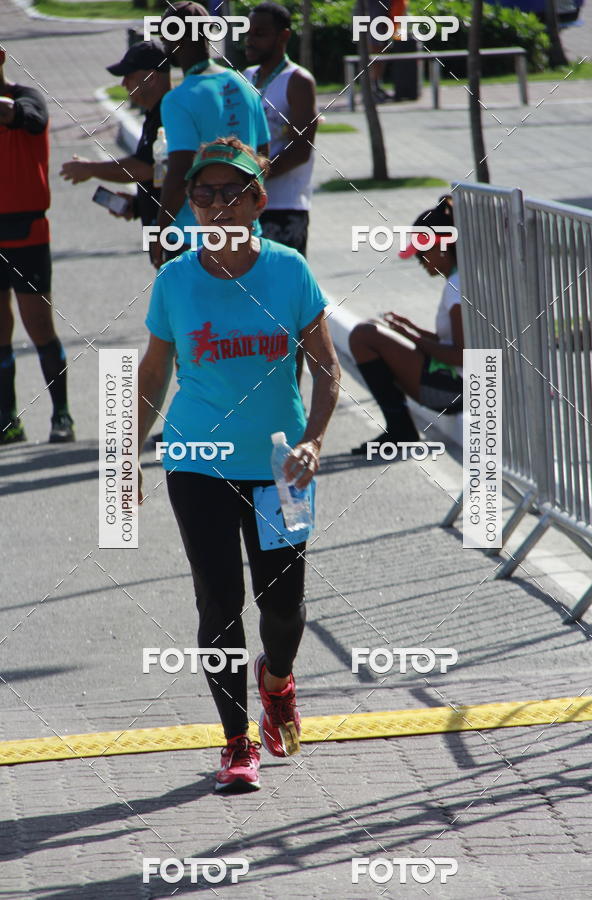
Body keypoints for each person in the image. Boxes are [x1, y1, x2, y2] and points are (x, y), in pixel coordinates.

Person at [137, 137, 339, 792]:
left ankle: (276, 682)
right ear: (191, 204)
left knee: (283, 604)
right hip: (196, 457)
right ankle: (236, 741)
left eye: (231, 193)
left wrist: (313, 439)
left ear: (258, 200)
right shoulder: (174, 280)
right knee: (220, 600)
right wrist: (122, 457)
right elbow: (153, 373)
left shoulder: (289, 272)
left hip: (279, 465)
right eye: (204, 194)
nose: (217, 205)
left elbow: (327, 370)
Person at [152, 1, 270, 268]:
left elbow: (181, 168)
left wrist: (159, 230)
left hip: (195, 237)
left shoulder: (178, 99)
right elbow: (263, 155)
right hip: (247, 231)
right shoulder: (243, 84)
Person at [349, 195, 463, 455]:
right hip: (456, 384)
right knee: (372, 330)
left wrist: (412, 338)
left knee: (363, 335)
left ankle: (400, 430)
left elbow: (462, 355)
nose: (419, 261)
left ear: (443, 247)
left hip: (456, 392)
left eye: (422, 253)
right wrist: (412, 330)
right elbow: (455, 343)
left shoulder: (457, 289)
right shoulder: (458, 282)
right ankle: (400, 429)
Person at [0, 47, 74, 445]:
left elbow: (31, 119)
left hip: (27, 232)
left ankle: (61, 414)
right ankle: (8, 419)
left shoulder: (28, 98)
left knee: (39, 328)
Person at [60, 41, 171, 242]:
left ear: (151, 77)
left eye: (129, 76)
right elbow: (162, 173)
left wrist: (90, 169)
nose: (123, 84)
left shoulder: (168, 115)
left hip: (177, 237)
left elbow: (145, 168)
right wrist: (138, 205)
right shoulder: (155, 115)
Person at [244, 1, 317, 259]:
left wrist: (251, 177)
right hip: (247, 209)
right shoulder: (247, 76)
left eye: (260, 34)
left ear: (283, 35)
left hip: (285, 208)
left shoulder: (297, 80)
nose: (250, 40)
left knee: (283, 293)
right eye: (248, 33)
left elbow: (300, 151)